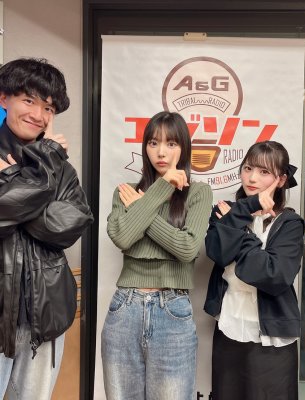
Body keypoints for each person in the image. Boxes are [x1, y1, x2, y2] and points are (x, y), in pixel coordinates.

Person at [102, 111, 212, 400]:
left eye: (171, 143)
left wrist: (142, 210)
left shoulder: (198, 192)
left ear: (184, 147)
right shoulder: (125, 192)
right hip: (125, 308)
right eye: (153, 143)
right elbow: (123, 237)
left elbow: (187, 249)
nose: (161, 152)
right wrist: (160, 190)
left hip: (172, 309)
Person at [0, 58, 93, 399]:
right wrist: (39, 186)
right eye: (29, 100)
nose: (38, 115)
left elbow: (69, 225)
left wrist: (13, 183)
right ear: (4, 98)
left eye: (48, 107)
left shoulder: (60, 167)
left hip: (44, 315)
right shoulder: (53, 163)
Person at [204, 140, 304, 400]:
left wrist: (239, 233)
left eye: (264, 172)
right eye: (248, 168)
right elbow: (217, 252)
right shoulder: (225, 211)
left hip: (272, 337)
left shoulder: (290, 223)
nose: (252, 178)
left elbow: (272, 275)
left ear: (281, 180)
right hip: (229, 328)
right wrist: (244, 211)